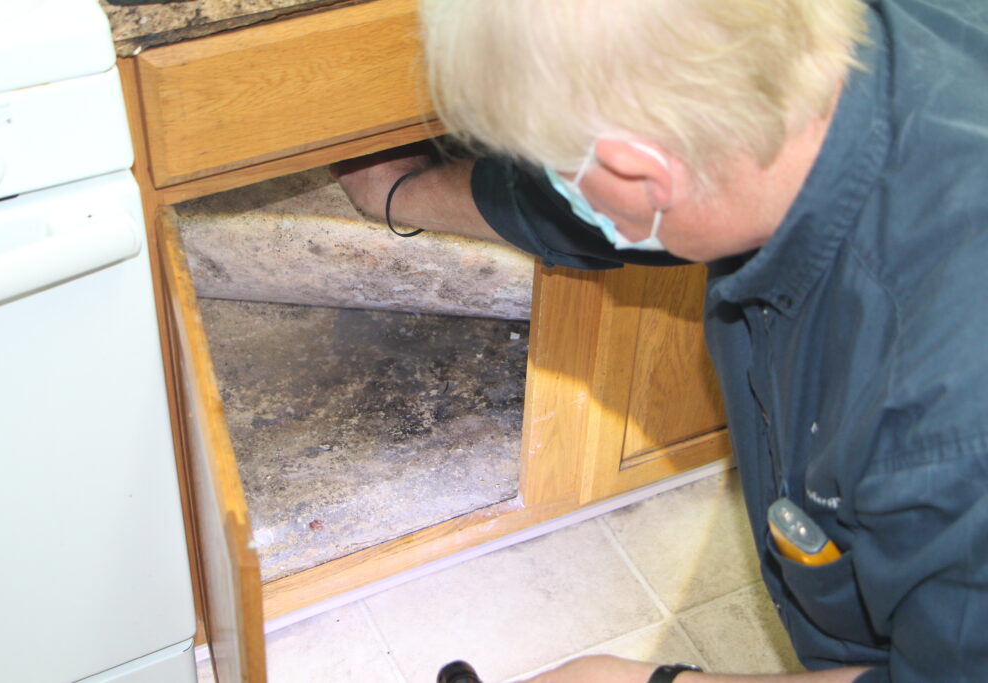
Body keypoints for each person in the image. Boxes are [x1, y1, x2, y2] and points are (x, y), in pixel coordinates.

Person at [333, 0, 988, 680]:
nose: (561, 193)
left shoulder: (947, 425)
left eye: (555, 169)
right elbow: (604, 211)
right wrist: (403, 193)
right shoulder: (814, 66)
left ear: (640, 171)